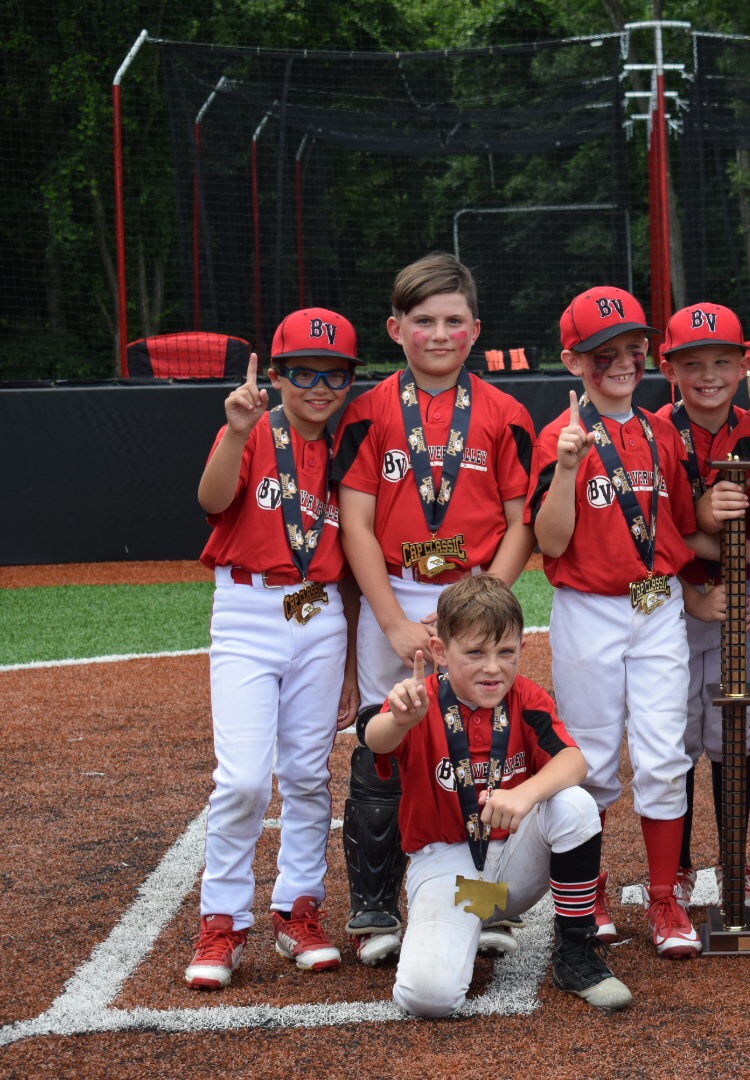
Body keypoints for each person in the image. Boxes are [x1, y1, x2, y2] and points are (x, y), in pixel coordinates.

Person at [334, 252, 538, 966]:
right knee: (381, 745)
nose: (439, 334)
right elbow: (356, 524)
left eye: (454, 320)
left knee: (484, 746)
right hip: (396, 594)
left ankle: (485, 906)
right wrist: (392, 622)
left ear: (476, 329)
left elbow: (522, 522)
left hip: (477, 594)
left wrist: (485, 608)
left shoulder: (506, 413)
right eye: (424, 321)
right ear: (396, 328)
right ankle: (375, 907)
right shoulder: (367, 412)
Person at [531, 286, 715, 959]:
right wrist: (569, 467)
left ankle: (665, 897)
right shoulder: (559, 435)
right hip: (589, 608)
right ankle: (594, 887)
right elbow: (550, 543)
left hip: (657, 605)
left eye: (633, 349)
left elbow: (681, 532)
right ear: (574, 360)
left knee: (666, 753)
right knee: (595, 759)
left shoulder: (660, 431)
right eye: (602, 352)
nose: (621, 362)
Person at [187, 308, 362, 989]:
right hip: (247, 608)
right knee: (243, 780)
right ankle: (223, 922)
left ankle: (298, 910)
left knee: (310, 774)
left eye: (334, 375)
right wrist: (234, 431)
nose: (318, 387)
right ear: (279, 375)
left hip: (320, 615)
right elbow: (211, 497)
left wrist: (348, 660)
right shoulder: (254, 429)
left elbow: (349, 563)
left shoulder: (351, 445)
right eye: (302, 373)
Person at [361, 575, 630, 1015]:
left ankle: (576, 955)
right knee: (428, 998)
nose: (493, 668)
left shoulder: (526, 696)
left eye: (507, 652)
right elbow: (376, 740)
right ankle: (465, 927)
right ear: (440, 653)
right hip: (448, 867)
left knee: (576, 805)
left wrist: (524, 795)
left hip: (513, 871)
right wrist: (401, 719)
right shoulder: (421, 700)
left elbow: (576, 763)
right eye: (475, 653)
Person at [655, 302, 750, 906]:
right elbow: (650, 528)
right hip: (673, 607)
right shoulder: (652, 430)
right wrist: (693, 595)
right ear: (670, 368)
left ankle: (735, 865)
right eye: (692, 363)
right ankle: (676, 869)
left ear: (745, 364)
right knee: (676, 735)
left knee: (734, 730)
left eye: (722, 361)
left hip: (739, 603)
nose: (708, 374)